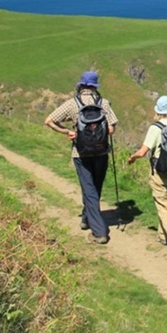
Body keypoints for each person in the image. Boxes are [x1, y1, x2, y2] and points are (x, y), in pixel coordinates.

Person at [45, 71, 118, 244]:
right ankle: (87, 219)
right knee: (95, 188)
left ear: (81, 85)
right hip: (101, 153)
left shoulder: (72, 104)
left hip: (81, 153)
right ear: (95, 86)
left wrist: (68, 132)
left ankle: (99, 233)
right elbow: (111, 129)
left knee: (89, 189)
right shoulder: (104, 103)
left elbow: (49, 120)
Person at [127, 95, 167, 259]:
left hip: (160, 173)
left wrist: (132, 158)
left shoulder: (156, 128)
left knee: (164, 208)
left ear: (158, 111)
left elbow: (143, 151)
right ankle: (163, 236)